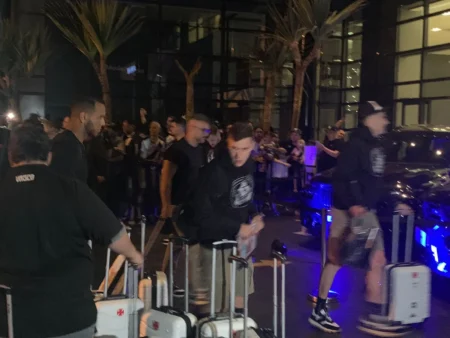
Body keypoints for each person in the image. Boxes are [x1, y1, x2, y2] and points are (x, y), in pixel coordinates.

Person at [0, 123, 143, 338]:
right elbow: (114, 234)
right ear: (49, 156)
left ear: (11, 157)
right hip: (70, 316)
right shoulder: (72, 189)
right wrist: (135, 257)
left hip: (13, 319)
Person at [308, 101, 412, 336]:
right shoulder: (356, 146)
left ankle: (374, 313)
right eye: (381, 116)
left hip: (367, 212)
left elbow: (375, 181)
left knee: (376, 258)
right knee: (337, 259)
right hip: (348, 211)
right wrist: (354, 204)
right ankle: (323, 310)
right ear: (369, 119)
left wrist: (396, 203)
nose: (386, 120)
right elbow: (342, 177)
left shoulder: (376, 146)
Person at [179, 122, 264, 313]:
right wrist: (237, 227)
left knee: (240, 298)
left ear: (252, 146)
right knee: (215, 308)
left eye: (244, 149)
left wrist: (255, 214)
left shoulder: (249, 164)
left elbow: (244, 196)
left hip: (240, 244)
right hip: (214, 245)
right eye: (234, 148)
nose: (238, 154)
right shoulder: (213, 172)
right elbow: (203, 217)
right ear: (227, 144)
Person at [50, 98, 106, 182]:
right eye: (100, 117)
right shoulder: (66, 147)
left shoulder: (75, 144)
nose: (103, 123)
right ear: (83, 117)